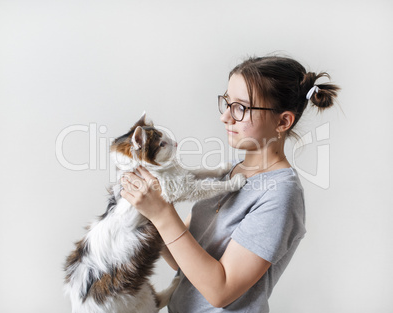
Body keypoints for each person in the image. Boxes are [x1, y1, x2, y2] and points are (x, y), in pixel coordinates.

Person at [120, 56, 340, 312]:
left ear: (282, 122)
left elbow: (220, 291)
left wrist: (162, 214)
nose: (225, 117)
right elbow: (185, 261)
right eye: (226, 102)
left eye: (241, 108)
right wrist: (144, 212)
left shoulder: (280, 194)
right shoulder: (229, 171)